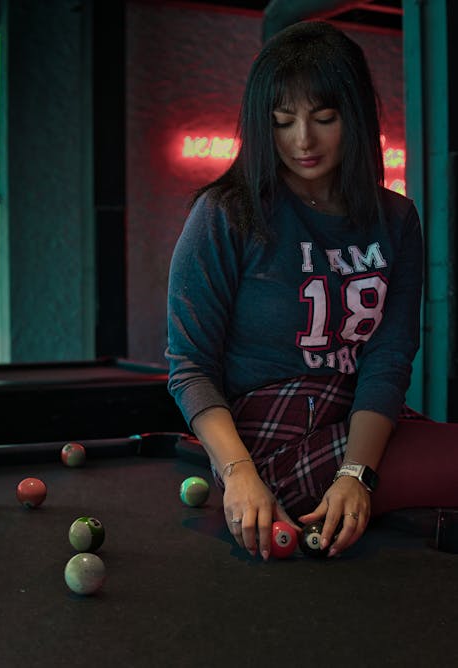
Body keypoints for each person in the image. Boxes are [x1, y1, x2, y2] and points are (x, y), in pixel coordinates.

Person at [165, 20, 458, 561]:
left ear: (355, 116)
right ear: (261, 125)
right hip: (263, 440)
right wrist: (240, 476)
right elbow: (190, 367)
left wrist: (357, 474)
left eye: (324, 117)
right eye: (283, 121)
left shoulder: (396, 219)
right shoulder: (224, 214)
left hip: (360, 424)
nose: (303, 140)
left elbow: (388, 359)